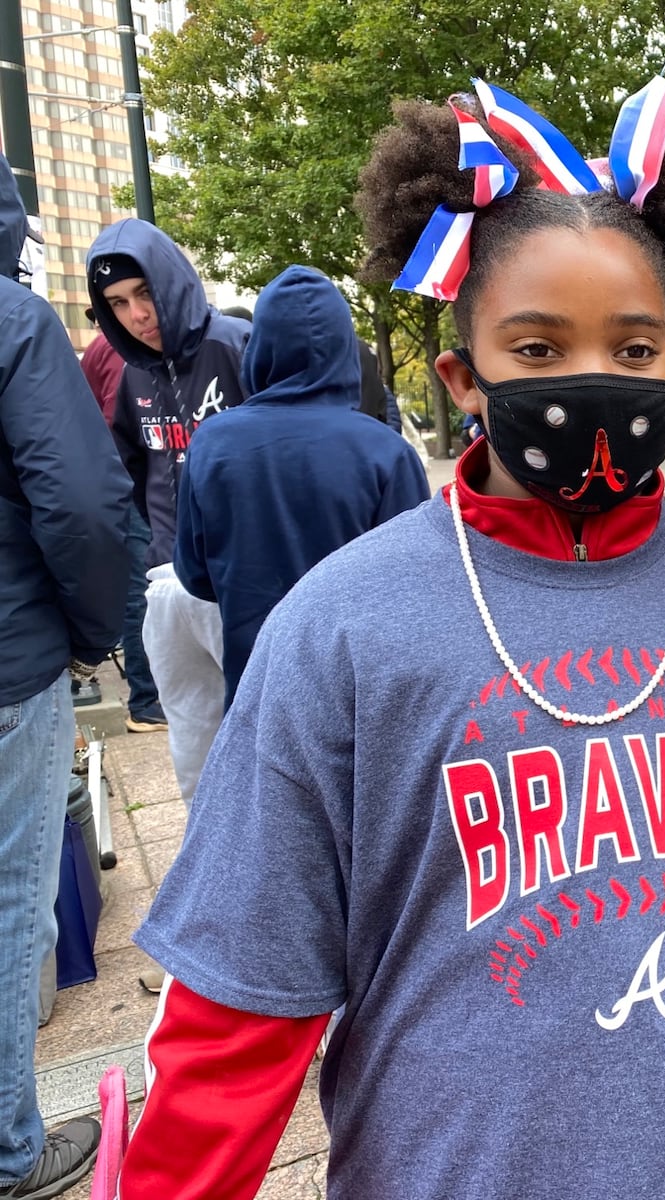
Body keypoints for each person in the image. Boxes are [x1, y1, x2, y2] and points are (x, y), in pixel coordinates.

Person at [119, 78, 665, 1200]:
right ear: (462, 377)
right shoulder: (340, 626)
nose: (592, 380)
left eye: (634, 351)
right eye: (537, 351)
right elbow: (239, 998)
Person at [0, 152, 128, 1199]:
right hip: (5, 665)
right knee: (9, 902)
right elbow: (82, 504)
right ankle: (10, 1147)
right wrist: (93, 633)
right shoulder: (12, 320)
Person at [174, 265, 431, 708]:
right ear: (345, 349)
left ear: (260, 350)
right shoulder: (387, 452)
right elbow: (416, 590)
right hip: (362, 694)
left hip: (258, 684)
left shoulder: (212, 443)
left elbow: (195, 576)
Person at [87, 221, 250, 802]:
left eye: (145, 293)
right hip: (168, 579)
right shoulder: (133, 373)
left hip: (243, 581)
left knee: (260, 727)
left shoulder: (235, 345)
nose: (136, 314)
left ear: (171, 282)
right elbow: (129, 466)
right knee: (191, 732)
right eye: (117, 303)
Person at [79, 313, 166, 734]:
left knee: (143, 591)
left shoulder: (108, 350)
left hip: (137, 481)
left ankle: (152, 696)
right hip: (131, 484)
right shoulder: (116, 354)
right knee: (141, 594)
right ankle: (146, 702)